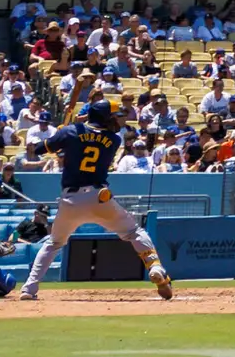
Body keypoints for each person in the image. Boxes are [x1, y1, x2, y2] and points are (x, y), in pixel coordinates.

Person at [17, 101, 176, 300]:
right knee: (134, 232)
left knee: (54, 243)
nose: (117, 120)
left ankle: (29, 288)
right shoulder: (113, 139)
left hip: (71, 199)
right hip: (99, 197)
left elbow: (39, 149)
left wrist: (58, 135)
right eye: (114, 116)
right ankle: (155, 266)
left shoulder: (70, 132)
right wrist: (65, 134)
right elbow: (89, 138)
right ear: (104, 118)